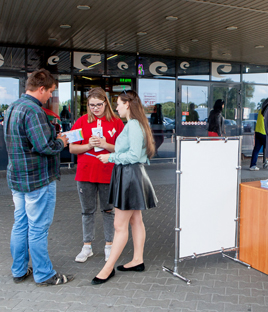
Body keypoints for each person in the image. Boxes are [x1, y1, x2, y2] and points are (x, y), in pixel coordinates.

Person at [3, 68, 72, 286]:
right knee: (38, 228)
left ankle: (19, 270)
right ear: (41, 89)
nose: (51, 95)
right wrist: (62, 141)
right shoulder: (33, 111)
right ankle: (44, 274)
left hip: (18, 179)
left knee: (20, 225)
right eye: (50, 91)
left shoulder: (12, 107)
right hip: (37, 180)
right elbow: (45, 146)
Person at [93, 90, 158, 284]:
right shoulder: (134, 125)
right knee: (135, 220)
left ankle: (107, 268)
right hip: (129, 175)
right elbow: (132, 152)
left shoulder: (134, 125)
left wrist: (109, 157)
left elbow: (134, 156)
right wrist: (108, 148)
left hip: (129, 175)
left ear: (128, 104)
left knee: (119, 225)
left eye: (119, 104)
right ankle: (137, 260)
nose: (117, 108)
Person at [69, 87, 124, 264]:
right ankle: (87, 247)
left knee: (108, 211)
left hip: (108, 172)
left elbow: (123, 149)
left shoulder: (116, 122)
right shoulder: (81, 122)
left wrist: (105, 144)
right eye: (91, 105)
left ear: (105, 103)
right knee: (87, 211)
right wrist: (88, 146)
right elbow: (71, 148)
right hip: (85, 173)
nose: (95, 108)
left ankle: (109, 246)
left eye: (98, 105)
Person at [249, 96, 268, 171]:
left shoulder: (261, 110)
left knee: (256, 149)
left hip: (258, 132)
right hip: (264, 133)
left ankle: (252, 165)